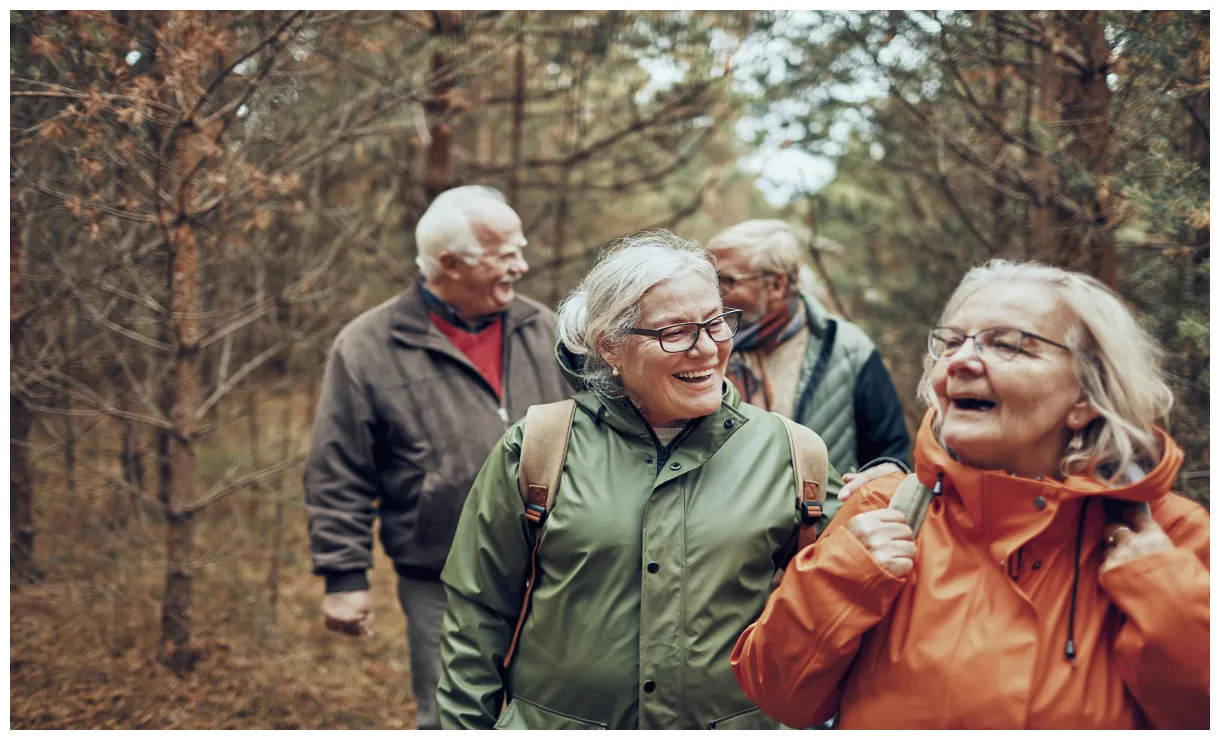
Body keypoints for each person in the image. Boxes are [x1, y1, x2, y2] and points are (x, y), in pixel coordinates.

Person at [731, 259, 1210, 729]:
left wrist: (1164, 598)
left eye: (1008, 345)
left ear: (1085, 396)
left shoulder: (1173, 538)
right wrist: (840, 579)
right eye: (952, 342)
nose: (959, 361)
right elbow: (777, 695)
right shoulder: (882, 511)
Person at [435, 231, 851, 729]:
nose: (705, 349)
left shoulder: (792, 453)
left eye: (716, 323)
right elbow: (477, 616)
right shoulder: (540, 447)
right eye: (674, 332)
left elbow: (839, 609)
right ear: (610, 346)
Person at [303, 185, 571, 729]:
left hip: (561, 567)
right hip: (441, 574)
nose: (522, 266)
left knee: (560, 712)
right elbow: (339, 467)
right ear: (449, 263)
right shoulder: (368, 346)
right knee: (455, 716)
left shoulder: (544, 328)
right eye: (505, 255)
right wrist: (344, 577)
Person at [707, 219, 910, 476]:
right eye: (709, 278)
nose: (713, 291)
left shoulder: (848, 348)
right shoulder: (700, 343)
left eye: (727, 280)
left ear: (776, 285)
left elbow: (889, 456)